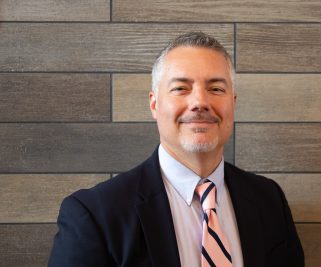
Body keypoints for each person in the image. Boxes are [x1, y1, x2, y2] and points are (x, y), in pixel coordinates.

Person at [48, 32, 304, 267]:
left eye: (216, 88)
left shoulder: (269, 201)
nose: (200, 102)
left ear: (233, 103)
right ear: (154, 104)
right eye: (181, 88)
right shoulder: (94, 214)